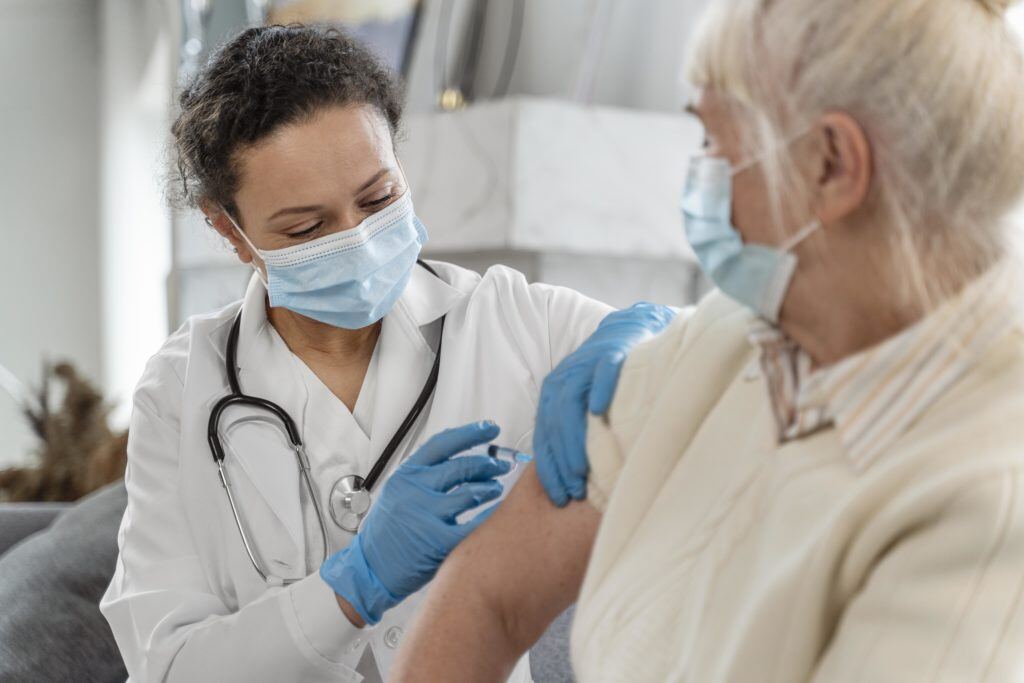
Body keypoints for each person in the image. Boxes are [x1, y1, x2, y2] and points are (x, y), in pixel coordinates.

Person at [390, 0, 1024, 680]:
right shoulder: (721, 342)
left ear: (833, 164)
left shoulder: (985, 499)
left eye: (717, 145)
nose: (698, 181)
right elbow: (489, 596)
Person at [99, 25, 675, 683]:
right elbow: (168, 666)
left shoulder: (510, 320)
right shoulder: (182, 391)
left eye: (379, 198)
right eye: (307, 227)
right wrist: (352, 585)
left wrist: (644, 331)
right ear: (228, 228)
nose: (361, 239)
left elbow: (720, 354)